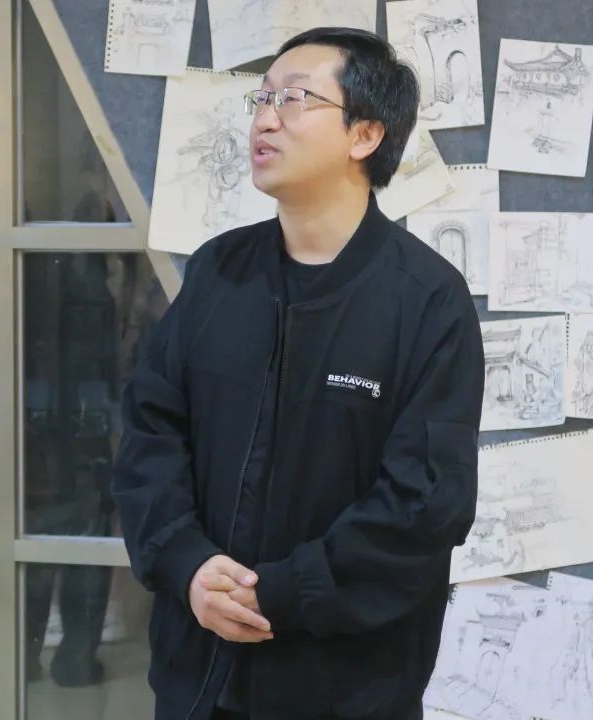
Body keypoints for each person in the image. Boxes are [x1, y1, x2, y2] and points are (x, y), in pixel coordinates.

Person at [113, 26, 484, 720]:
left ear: (364, 135)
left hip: (346, 687)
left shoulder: (426, 300)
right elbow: (149, 433)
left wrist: (277, 593)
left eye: (295, 98)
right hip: (199, 678)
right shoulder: (219, 271)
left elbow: (424, 505)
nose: (265, 117)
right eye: (262, 98)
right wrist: (188, 563)